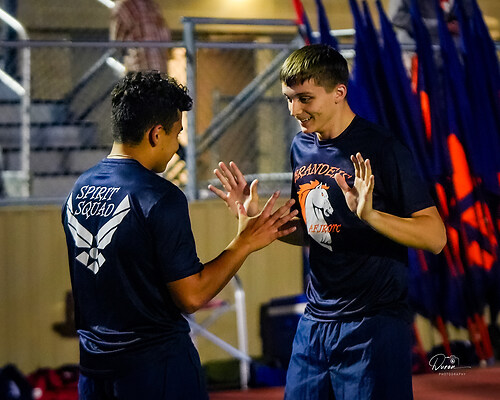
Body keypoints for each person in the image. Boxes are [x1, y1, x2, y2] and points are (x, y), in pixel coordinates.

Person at [209, 44, 447, 399]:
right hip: (315, 323)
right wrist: (257, 217)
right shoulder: (301, 147)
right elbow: (314, 232)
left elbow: (436, 237)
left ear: (339, 92)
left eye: (305, 98)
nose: (294, 110)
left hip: (373, 325)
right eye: (289, 99)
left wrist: (371, 216)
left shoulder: (383, 149)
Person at [61, 71, 297, 400]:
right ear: (156, 134)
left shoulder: (79, 189)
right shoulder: (159, 196)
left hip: (94, 373)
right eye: (177, 134)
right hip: (156, 372)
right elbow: (192, 296)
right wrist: (244, 242)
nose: (176, 147)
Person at [110, 0, 170, 72]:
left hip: (139, 67)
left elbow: (117, 41)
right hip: (157, 67)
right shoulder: (153, 6)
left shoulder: (124, 5)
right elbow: (165, 37)